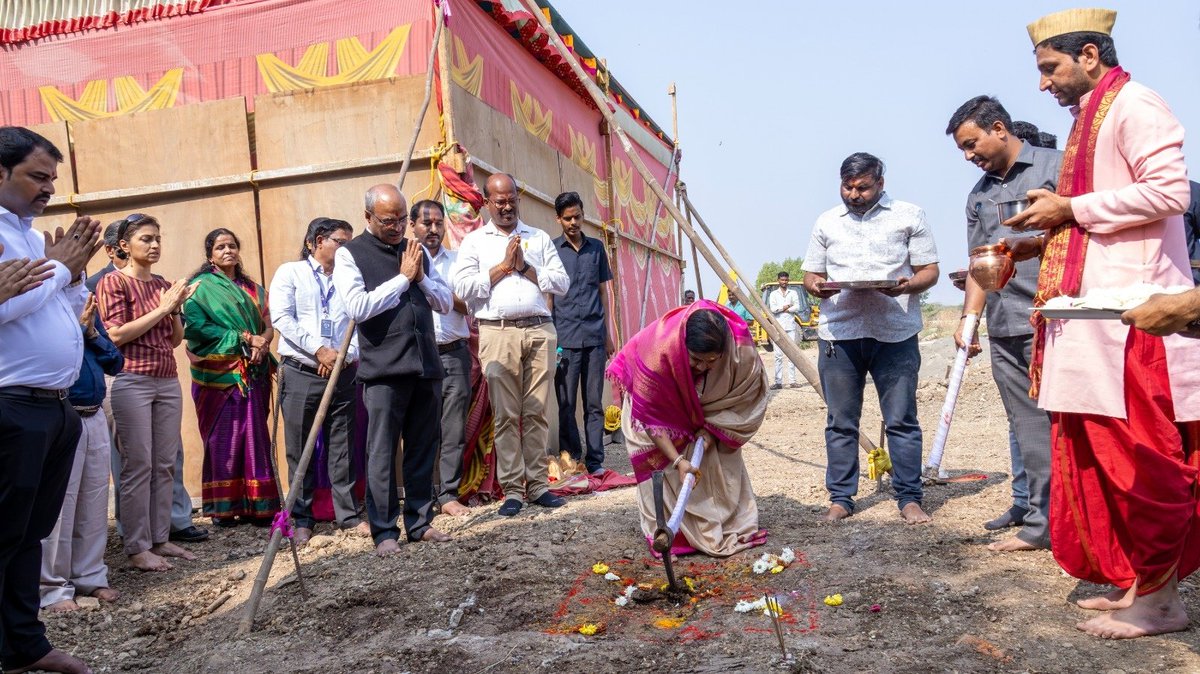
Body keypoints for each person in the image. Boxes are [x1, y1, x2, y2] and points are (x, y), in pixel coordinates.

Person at [1006, 8, 1200, 639]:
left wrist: (1072, 207)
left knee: (1141, 465)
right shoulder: (1092, 116)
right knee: (1101, 461)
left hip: (1139, 322)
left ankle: (1162, 604)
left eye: (1050, 68)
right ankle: (1141, 587)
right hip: (1095, 320)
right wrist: (1055, 229)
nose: (1043, 84)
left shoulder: (1137, 104)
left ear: (1090, 54)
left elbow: (1170, 191)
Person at [0, 125, 101, 674]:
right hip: (11, 405)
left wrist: (72, 274)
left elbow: (56, 306)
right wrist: (60, 266)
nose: (48, 189)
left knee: (28, 535)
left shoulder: (30, 235)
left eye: (52, 179)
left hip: (55, 406)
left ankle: (24, 646)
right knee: (5, 534)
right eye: (38, 177)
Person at [946, 95, 1061, 552]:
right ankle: (1042, 524)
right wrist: (969, 319)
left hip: (1061, 317)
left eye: (972, 144)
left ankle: (1090, 521)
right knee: (1028, 426)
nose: (969, 156)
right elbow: (978, 262)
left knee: (1076, 424)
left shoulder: (1058, 166)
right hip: (1007, 322)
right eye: (962, 151)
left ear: (999, 128)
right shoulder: (978, 195)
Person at [802, 152, 939, 525]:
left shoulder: (909, 215)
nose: (854, 194)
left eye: (863, 187)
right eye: (847, 187)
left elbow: (930, 271)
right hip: (839, 334)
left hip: (894, 333)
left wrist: (908, 285)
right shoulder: (827, 222)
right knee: (840, 422)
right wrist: (817, 287)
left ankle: (910, 498)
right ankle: (841, 498)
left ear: (881, 183)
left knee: (901, 420)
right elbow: (811, 274)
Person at [333, 184, 453, 554]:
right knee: (382, 453)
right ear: (368, 217)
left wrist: (420, 278)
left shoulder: (415, 250)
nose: (398, 227)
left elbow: (445, 302)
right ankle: (384, 531)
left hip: (425, 366)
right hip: (384, 370)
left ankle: (420, 523)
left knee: (422, 448)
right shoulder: (350, 255)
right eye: (389, 220)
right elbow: (358, 307)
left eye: (402, 219)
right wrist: (403, 279)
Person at [607, 301, 769, 556]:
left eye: (711, 361)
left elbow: (747, 395)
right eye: (696, 360)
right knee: (657, 461)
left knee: (715, 456)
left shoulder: (739, 349)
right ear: (683, 347)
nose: (703, 367)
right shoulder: (657, 354)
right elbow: (650, 420)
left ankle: (722, 520)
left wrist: (713, 428)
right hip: (652, 404)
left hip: (707, 408)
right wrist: (678, 460)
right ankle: (676, 533)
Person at [452, 173, 570, 517]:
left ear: (518, 199)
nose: (506, 206)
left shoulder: (538, 237)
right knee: (506, 415)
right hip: (497, 331)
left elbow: (561, 282)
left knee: (536, 412)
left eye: (511, 200)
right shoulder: (474, 242)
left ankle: (538, 486)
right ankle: (513, 490)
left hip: (538, 330)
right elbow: (463, 288)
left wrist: (527, 268)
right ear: (487, 203)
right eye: (499, 201)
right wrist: (503, 267)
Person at [91, 220, 207, 545]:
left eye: (158, 238)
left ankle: (161, 539)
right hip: (130, 379)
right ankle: (137, 545)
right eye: (146, 239)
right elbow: (115, 335)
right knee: (138, 465)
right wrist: (164, 308)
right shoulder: (113, 282)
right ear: (125, 246)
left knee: (165, 464)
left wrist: (175, 310)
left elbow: (173, 341)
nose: (155, 245)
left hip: (167, 380)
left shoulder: (162, 284)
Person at [270, 218, 362, 544]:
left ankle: (348, 515)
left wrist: (342, 356)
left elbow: (359, 318)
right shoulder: (290, 273)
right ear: (317, 241)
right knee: (300, 448)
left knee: (343, 446)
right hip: (301, 372)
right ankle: (302, 518)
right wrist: (320, 350)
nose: (347, 248)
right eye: (341, 242)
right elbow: (282, 318)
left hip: (343, 370)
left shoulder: (350, 278)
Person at [183, 228, 279, 526]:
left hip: (253, 372)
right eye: (221, 247)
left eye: (232, 245)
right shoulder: (200, 288)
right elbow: (197, 329)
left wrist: (261, 342)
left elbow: (268, 326)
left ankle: (259, 506)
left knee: (256, 437)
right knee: (223, 440)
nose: (228, 251)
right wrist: (244, 338)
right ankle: (224, 508)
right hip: (218, 378)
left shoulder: (253, 288)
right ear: (210, 254)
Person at [39, 294, 123, 612]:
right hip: (63, 411)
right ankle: (53, 588)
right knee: (60, 505)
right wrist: (73, 332)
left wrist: (91, 334)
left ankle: (90, 575)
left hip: (95, 412)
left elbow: (115, 361)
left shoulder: (87, 303)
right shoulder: (43, 303)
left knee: (94, 499)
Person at [410, 199, 473, 517]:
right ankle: (419, 497)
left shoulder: (459, 261)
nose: (433, 229)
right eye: (426, 223)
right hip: (415, 358)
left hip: (452, 355)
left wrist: (440, 289)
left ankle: (448, 494)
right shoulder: (400, 261)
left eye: (438, 223)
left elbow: (470, 304)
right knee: (419, 429)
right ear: (412, 226)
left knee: (452, 428)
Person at [551, 191, 616, 477]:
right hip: (564, 338)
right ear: (559, 220)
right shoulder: (552, 251)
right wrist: (551, 338)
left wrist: (608, 334)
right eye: (568, 218)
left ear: (583, 214)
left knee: (593, 404)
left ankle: (596, 460)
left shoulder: (597, 249)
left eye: (578, 216)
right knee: (566, 404)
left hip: (594, 337)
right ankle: (572, 459)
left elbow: (603, 292)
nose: (574, 222)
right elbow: (549, 296)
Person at [767, 270, 802, 389]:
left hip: (791, 326)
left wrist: (787, 309)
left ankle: (792, 381)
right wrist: (785, 307)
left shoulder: (793, 293)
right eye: (782, 280)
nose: (784, 282)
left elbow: (797, 306)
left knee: (792, 354)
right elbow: (773, 309)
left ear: (788, 280)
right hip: (778, 326)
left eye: (786, 280)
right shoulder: (773, 294)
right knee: (778, 355)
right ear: (778, 280)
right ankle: (778, 382)